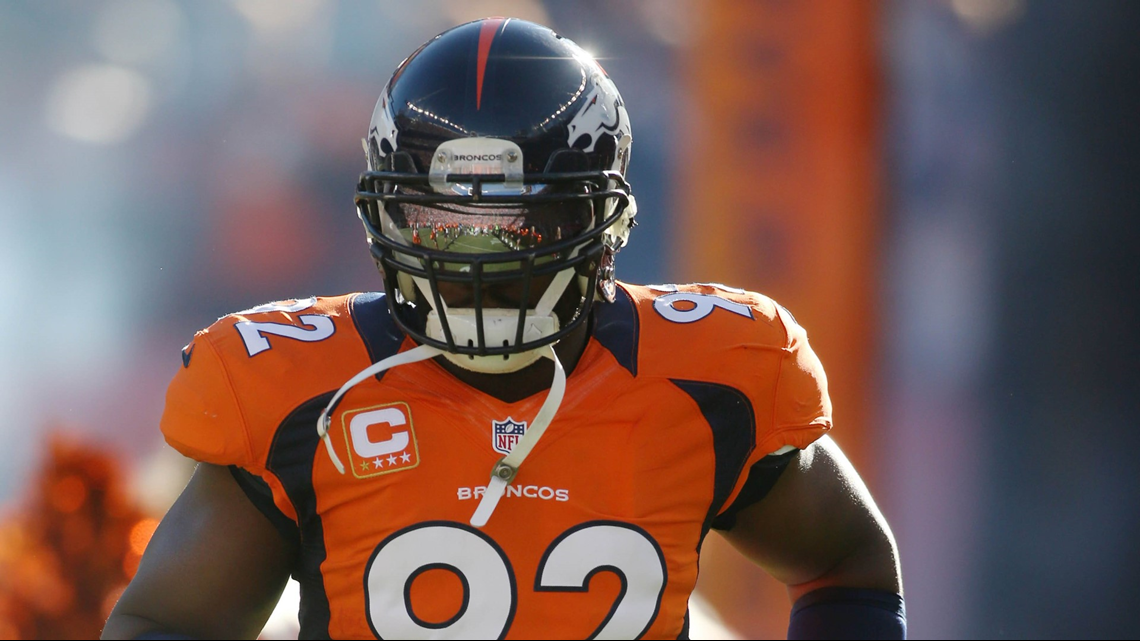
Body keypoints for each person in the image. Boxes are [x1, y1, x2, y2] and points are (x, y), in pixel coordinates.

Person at [102, 18, 903, 640]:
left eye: (519, 220)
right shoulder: (297, 392)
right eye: (444, 216)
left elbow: (848, 567)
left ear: (598, 216)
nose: (479, 250)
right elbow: (169, 623)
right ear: (388, 212)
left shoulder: (707, 374)